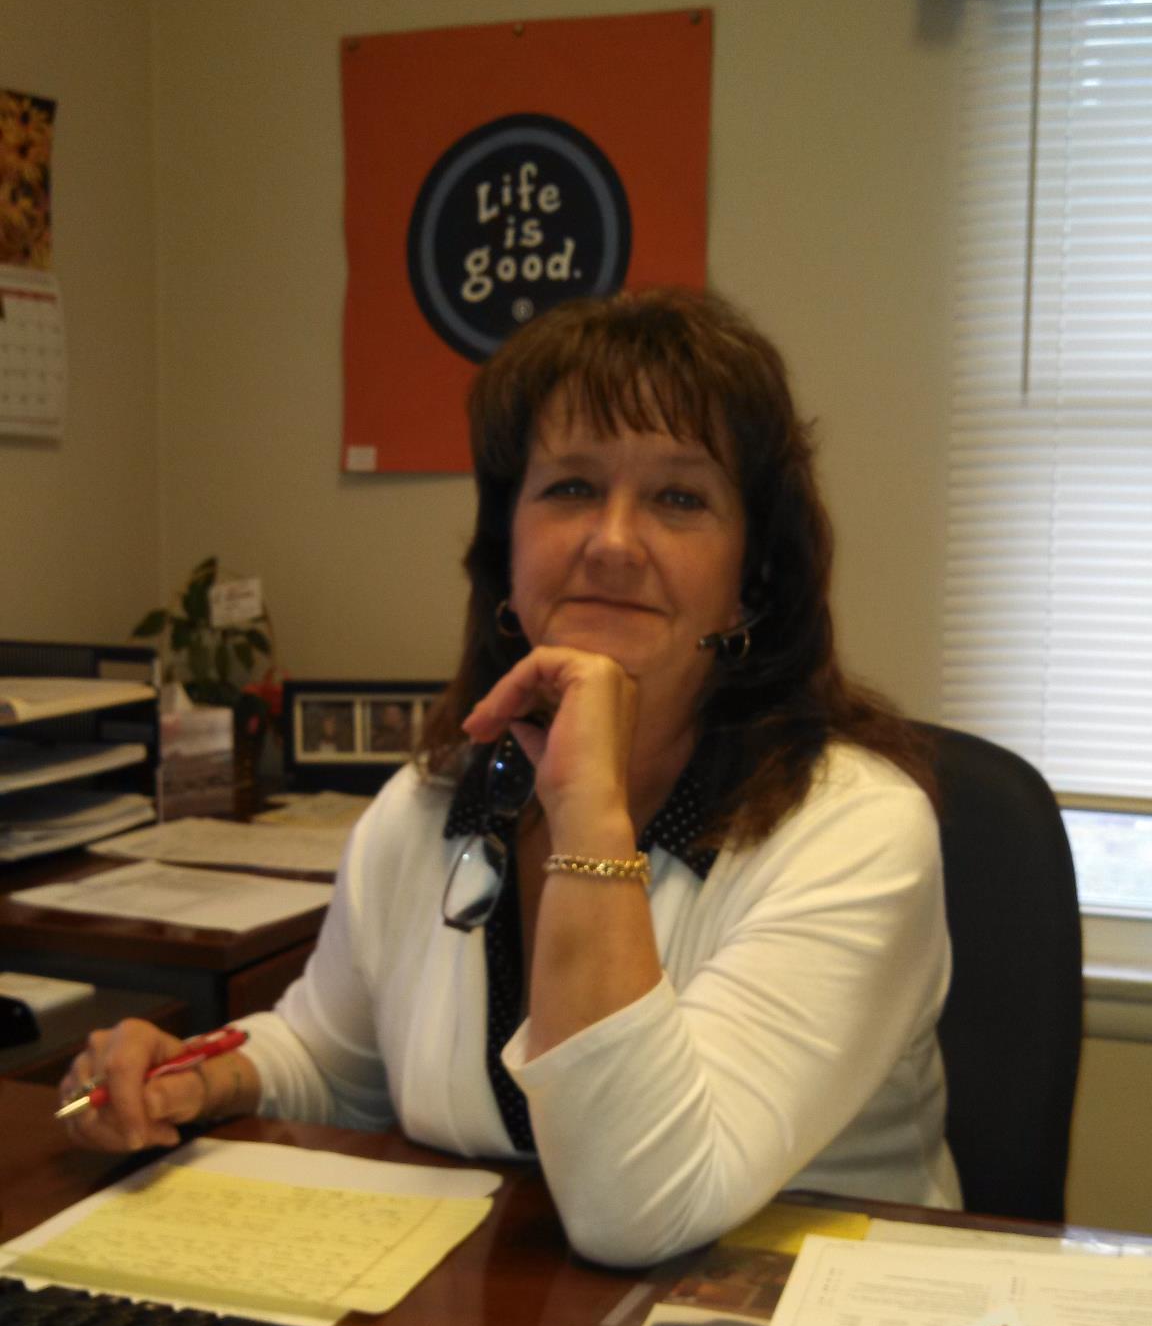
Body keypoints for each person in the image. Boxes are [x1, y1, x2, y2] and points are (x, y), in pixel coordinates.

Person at [58, 288, 960, 1266]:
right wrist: (200, 1078)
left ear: (752, 579)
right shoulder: (429, 807)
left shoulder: (857, 829)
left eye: (679, 497)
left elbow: (637, 1205)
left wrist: (589, 817)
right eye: (570, 487)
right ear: (509, 548)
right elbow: (331, 1055)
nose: (611, 541)